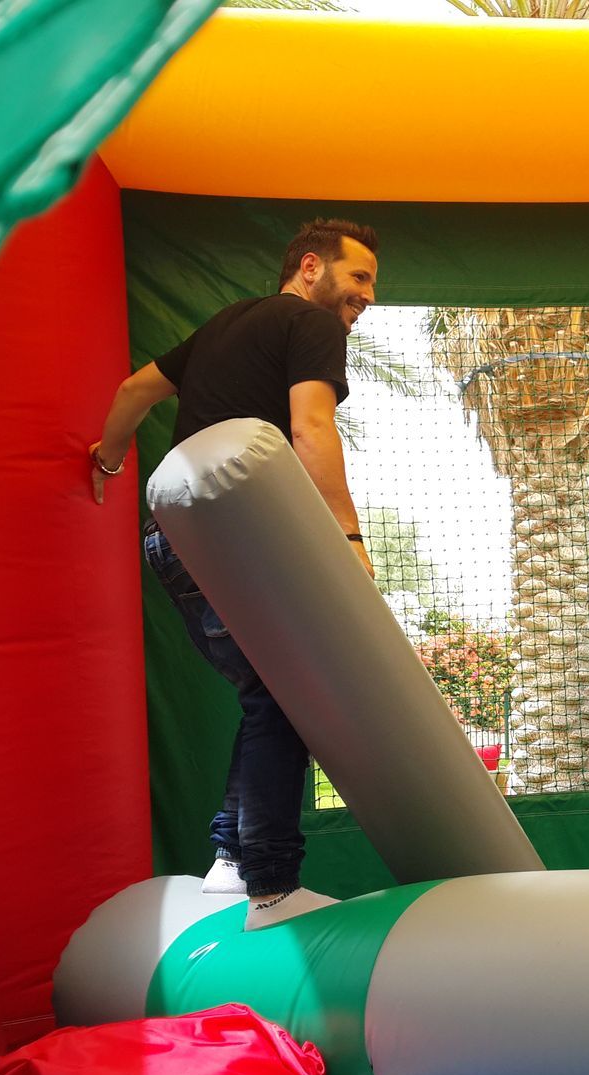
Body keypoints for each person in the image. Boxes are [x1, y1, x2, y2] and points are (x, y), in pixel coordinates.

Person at [87, 219, 380, 931]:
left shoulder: (224, 324)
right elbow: (311, 428)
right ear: (309, 267)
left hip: (171, 537)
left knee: (265, 696)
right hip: (236, 537)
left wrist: (108, 458)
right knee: (285, 701)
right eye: (360, 277)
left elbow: (132, 390)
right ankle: (272, 888)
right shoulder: (311, 325)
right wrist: (348, 537)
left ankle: (229, 861)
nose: (368, 296)